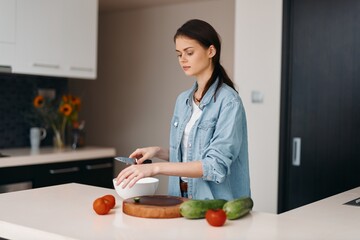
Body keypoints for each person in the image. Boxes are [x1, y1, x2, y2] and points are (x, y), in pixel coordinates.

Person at [116, 19, 250, 200]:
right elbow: (192, 154)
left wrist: (154, 168)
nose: (183, 59)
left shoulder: (229, 102)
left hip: (215, 204)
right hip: (180, 198)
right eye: (179, 54)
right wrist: (157, 151)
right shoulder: (183, 101)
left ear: (211, 51)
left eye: (189, 52)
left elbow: (214, 165)